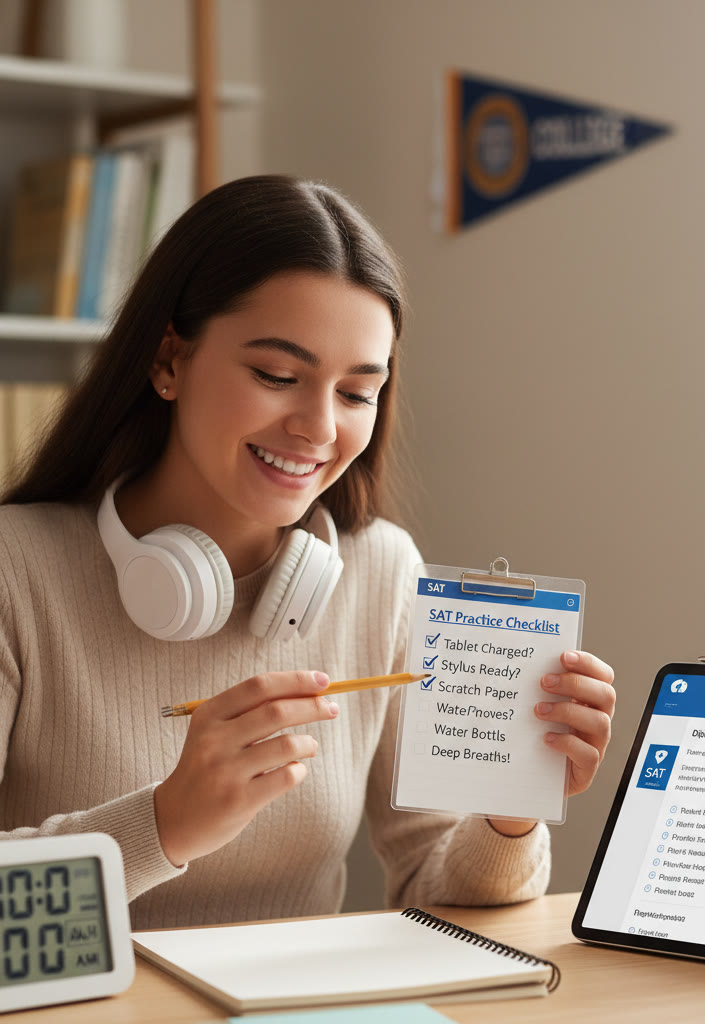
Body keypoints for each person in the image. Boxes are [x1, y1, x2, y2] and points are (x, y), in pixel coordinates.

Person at [0, 175, 615, 929]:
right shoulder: (15, 572)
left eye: (357, 393)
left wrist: (510, 810)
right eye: (278, 376)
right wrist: (163, 826)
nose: (319, 429)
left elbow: (434, 881)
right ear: (168, 361)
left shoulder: (382, 572)